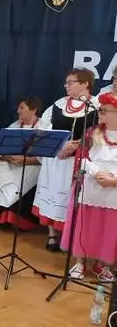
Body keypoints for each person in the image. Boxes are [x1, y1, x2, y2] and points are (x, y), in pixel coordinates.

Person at [31, 69, 99, 251]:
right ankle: (52, 235)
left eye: (70, 82)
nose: (66, 86)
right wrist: (60, 144)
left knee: (73, 197)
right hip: (56, 160)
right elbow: (43, 130)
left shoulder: (96, 106)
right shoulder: (58, 105)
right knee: (53, 192)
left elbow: (99, 132)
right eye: (65, 83)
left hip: (79, 161)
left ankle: (73, 236)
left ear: (85, 83)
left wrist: (77, 145)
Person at [61, 91, 117, 282]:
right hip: (92, 186)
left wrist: (113, 180)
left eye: (105, 111)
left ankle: (104, 264)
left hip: (114, 190)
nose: (100, 113)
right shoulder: (92, 133)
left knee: (110, 229)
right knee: (85, 226)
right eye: (100, 110)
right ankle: (80, 261)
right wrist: (96, 173)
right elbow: (82, 158)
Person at [0, 96, 45, 230]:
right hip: (11, 162)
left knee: (14, 182)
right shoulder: (14, 126)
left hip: (32, 165)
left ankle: (12, 219)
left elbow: (45, 156)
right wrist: (9, 158)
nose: (18, 111)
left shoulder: (44, 127)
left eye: (22, 108)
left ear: (33, 110)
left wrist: (26, 160)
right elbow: (0, 150)